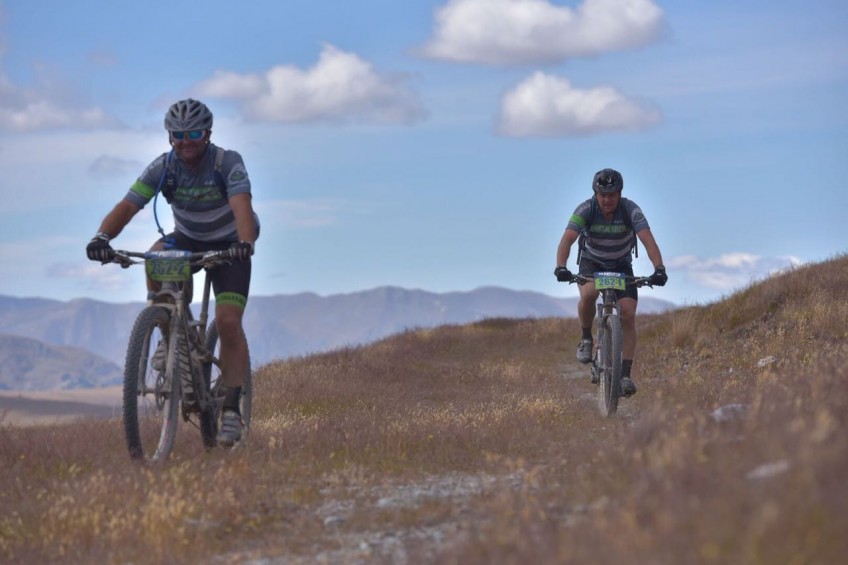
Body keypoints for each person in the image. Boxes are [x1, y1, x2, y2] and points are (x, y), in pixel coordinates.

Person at [86, 98, 258, 447]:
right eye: (178, 134)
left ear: (207, 133)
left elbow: (242, 205)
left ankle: (230, 410)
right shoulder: (163, 167)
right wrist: (102, 237)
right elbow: (128, 205)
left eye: (194, 132)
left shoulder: (227, 162)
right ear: (169, 137)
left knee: (227, 322)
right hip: (188, 240)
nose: (186, 140)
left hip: (230, 244)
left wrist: (244, 242)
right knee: (155, 255)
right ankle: (168, 328)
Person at [553, 168, 667, 396]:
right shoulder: (585, 209)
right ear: (595, 194)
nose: (607, 200)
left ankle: (624, 374)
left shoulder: (631, 210)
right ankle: (586, 338)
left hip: (621, 265)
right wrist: (561, 266)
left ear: (620, 194)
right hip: (592, 262)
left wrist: (659, 269)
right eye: (602, 195)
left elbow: (647, 240)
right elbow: (567, 239)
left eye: (612, 195)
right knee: (588, 295)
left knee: (628, 314)